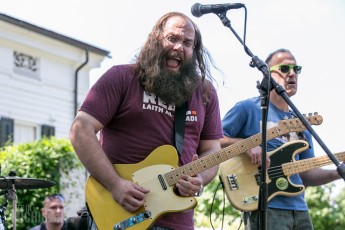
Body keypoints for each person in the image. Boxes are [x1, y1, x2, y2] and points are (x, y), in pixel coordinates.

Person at [69, 12, 223, 230]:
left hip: (178, 220)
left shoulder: (204, 92)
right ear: (155, 40)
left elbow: (212, 151)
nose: (179, 47)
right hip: (120, 214)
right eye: (173, 38)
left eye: (188, 43)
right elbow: (81, 130)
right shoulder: (122, 77)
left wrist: (199, 179)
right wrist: (115, 185)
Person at [221, 48, 343, 230]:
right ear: (267, 74)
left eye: (296, 69)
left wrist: (337, 173)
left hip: (300, 211)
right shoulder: (247, 108)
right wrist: (246, 146)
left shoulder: (302, 123)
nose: (292, 74)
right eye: (285, 68)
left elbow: (306, 174)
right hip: (264, 207)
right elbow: (216, 140)